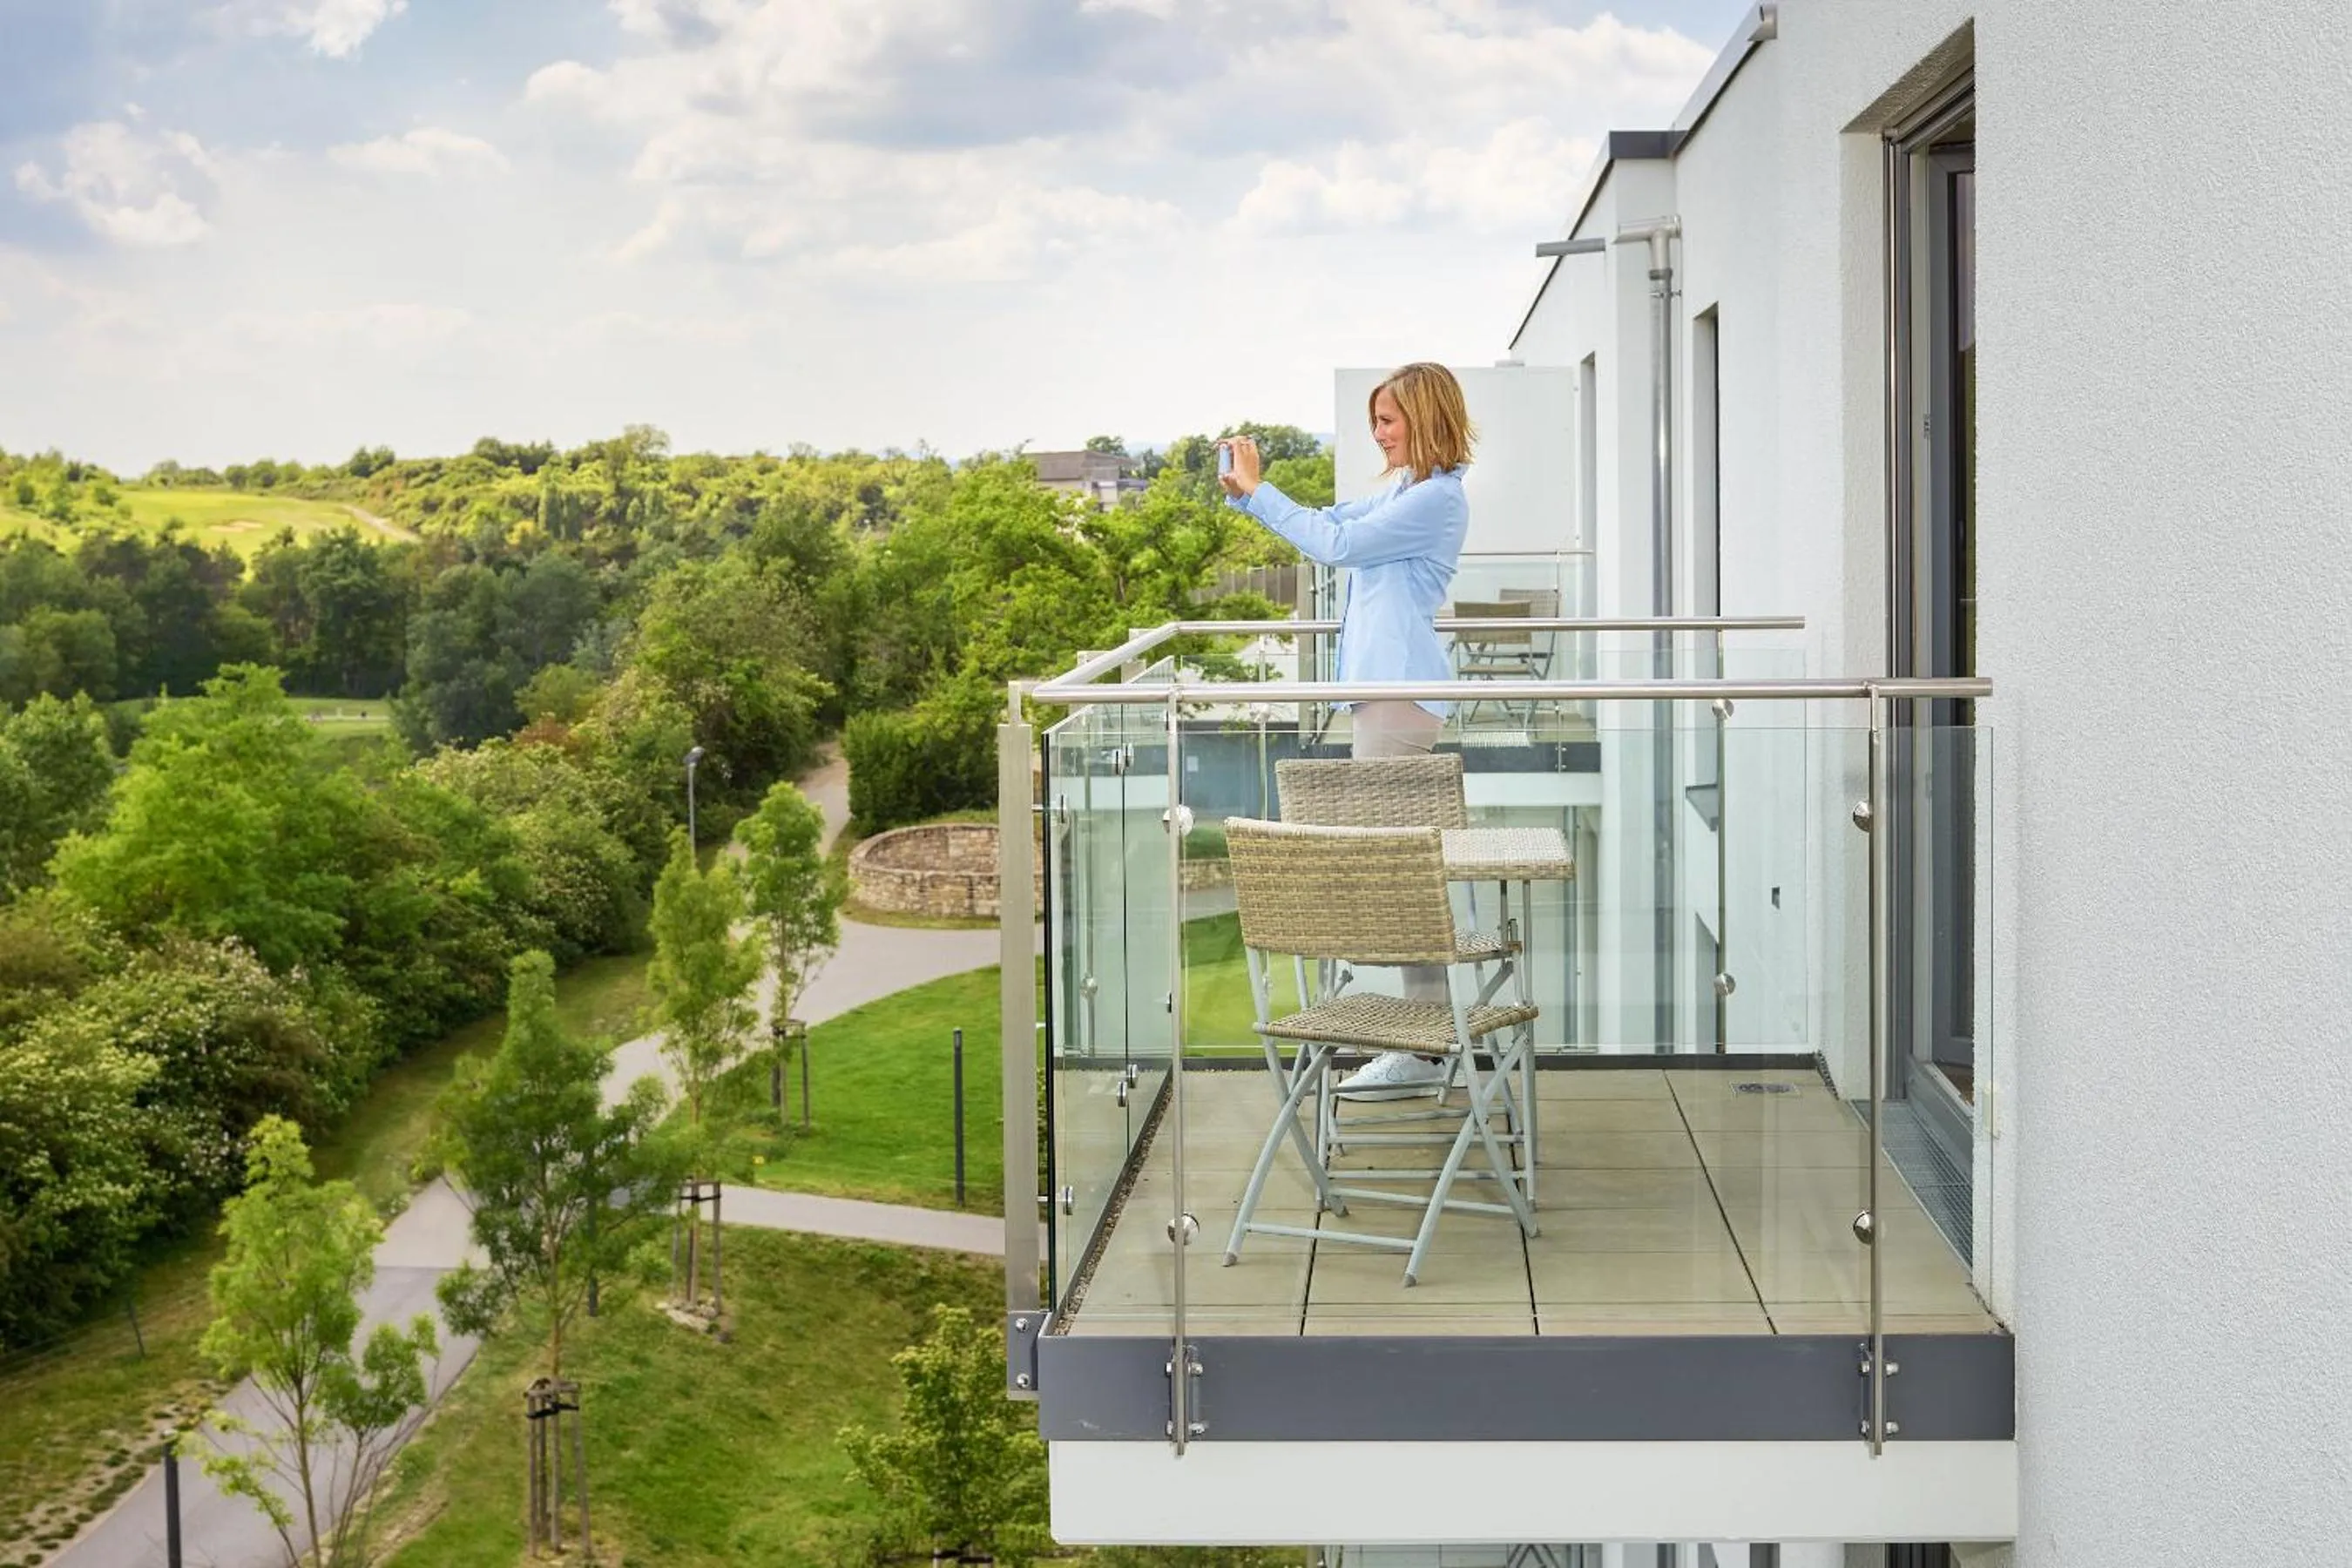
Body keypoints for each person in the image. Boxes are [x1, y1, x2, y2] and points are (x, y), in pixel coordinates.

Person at [1220, 362, 1475, 1098]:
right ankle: (1417, 1042)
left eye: (1388, 420)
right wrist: (1248, 496)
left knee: (1399, 876)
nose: (1379, 434)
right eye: (1375, 421)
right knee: (1398, 871)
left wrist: (1261, 493)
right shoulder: (1404, 491)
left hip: (1399, 697)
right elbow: (1332, 526)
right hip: (1385, 695)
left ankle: (1421, 1050)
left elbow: (1335, 549)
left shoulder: (1435, 499)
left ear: (1424, 418)